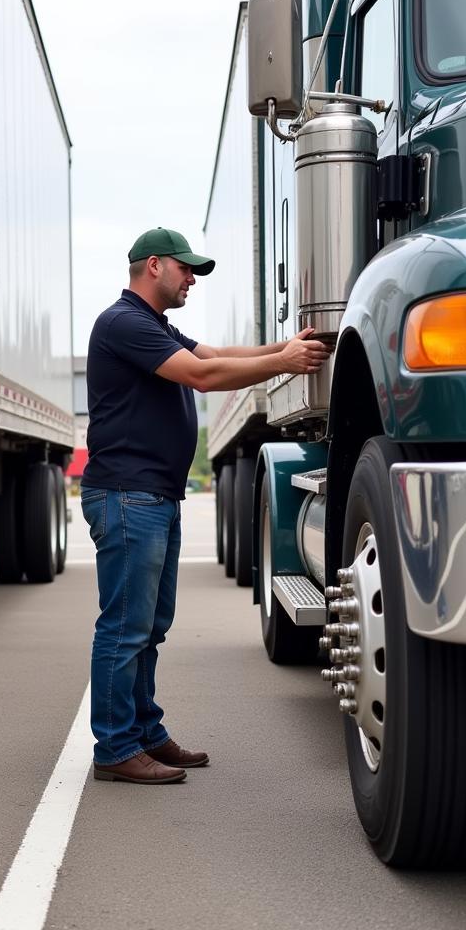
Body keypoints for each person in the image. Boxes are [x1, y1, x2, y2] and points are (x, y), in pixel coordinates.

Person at [81, 227, 330, 784]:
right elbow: (202, 375)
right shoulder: (122, 323)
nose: (192, 279)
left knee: (149, 626)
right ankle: (116, 749)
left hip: (153, 497)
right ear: (152, 266)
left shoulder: (153, 326)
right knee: (126, 627)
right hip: (128, 496)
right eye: (185, 268)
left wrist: (284, 349)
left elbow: (214, 353)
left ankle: (144, 732)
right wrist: (283, 363)